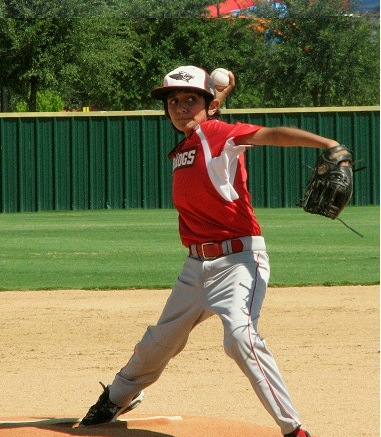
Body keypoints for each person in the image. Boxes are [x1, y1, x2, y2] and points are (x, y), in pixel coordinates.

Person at [80, 65, 341, 436]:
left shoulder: (217, 132)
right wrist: (216, 97)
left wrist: (327, 144)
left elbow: (268, 134)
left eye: (191, 100)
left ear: (210, 106)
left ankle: (294, 429)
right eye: (174, 101)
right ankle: (116, 398)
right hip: (195, 267)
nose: (181, 107)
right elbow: (203, 123)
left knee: (240, 337)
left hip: (237, 261)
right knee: (158, 342)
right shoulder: (189, 141)